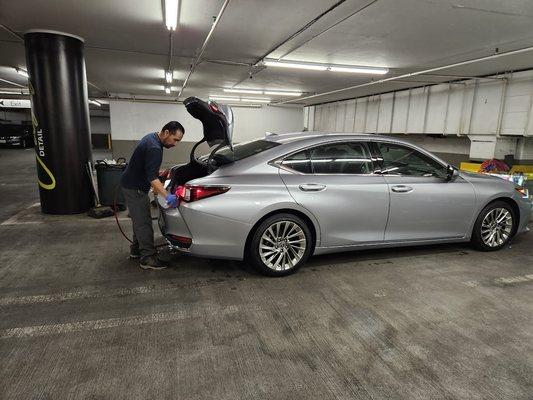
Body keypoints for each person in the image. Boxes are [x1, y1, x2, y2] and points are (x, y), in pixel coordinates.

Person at [120, 121, 184, 270]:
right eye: (175, 140)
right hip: (134, 187)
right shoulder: (155, 147)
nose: (175, 144)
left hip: (130, 183)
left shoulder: (152, 138)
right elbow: (152, 179)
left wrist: (157, 172)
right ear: (166, 133)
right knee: (144, 222)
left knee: (138, 219)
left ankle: (136, 250)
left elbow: (148, 167)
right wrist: (168, 196)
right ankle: (147, 258)